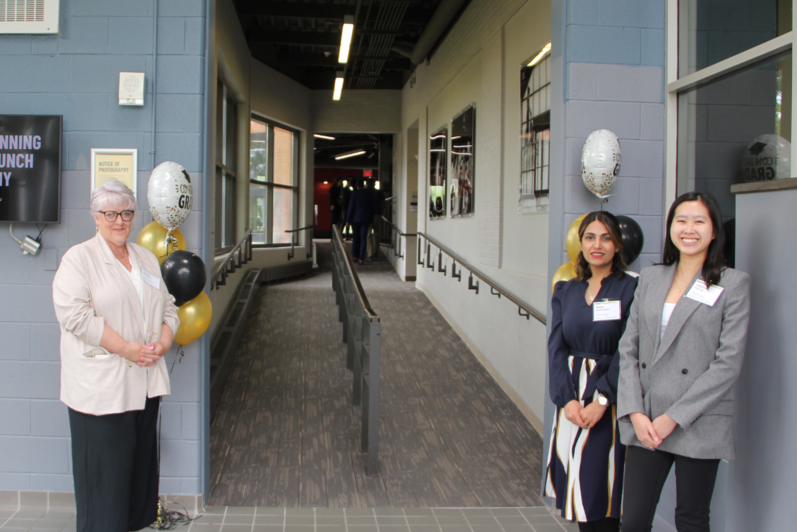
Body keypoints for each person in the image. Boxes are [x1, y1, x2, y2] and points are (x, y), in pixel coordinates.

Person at [617, 192, 750, 532]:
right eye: (681, 220)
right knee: (632, 520)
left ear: (714, 230)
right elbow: (629, 347)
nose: (689, 229)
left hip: (697, 418)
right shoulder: (651, 277)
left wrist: (673, 417)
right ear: (671, 228)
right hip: (646, 417)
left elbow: (727, 363)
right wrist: (634, 411)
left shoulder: (732, 284)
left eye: (699, 221)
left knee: (690, 519)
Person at [52, 179, 180, 532]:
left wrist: (164, 343)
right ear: (95, 216)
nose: (119, 220)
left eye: (126, 212)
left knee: (137, 484)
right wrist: (126, 348)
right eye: (110, 213)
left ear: (134, 215)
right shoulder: (79, 259)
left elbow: (169, 308)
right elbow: (75, 316)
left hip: (144, 385)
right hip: (101, 392)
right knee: (104, 489)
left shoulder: (145, 258)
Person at [545, 211, 638, 532]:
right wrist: (567, 400)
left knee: (605, 496)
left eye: (606, 237)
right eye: (590, 237)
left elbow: (629, 349)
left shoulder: (631, 289)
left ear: (617, 245)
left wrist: (601, 399)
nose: (597, 245)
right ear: (580, 244)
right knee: (581, 502)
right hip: (572, 405)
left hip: (609, 400)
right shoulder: (566, 291)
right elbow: (556, 349)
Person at [346, 178, 374, 265]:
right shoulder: (368, 194)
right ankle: (361, 258)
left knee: (356, 238)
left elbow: (351, 208)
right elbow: (371, 207)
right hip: (365, 219)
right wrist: (371, 219)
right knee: (363, 238)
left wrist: (348, 220)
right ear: (364, 184)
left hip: (356, 219)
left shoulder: (354, 194)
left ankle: (354, 255)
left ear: (356, 185)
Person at [366, 179, 386, 260]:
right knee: (377, 233)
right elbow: (384, 203)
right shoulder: (379, 192)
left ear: (367, 183)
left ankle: (370, 253)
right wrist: (382, 211)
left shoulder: (365, 192)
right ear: (374, 184)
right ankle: (376, 251)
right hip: (377, 213)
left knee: (368, 234)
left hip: (368, 214)